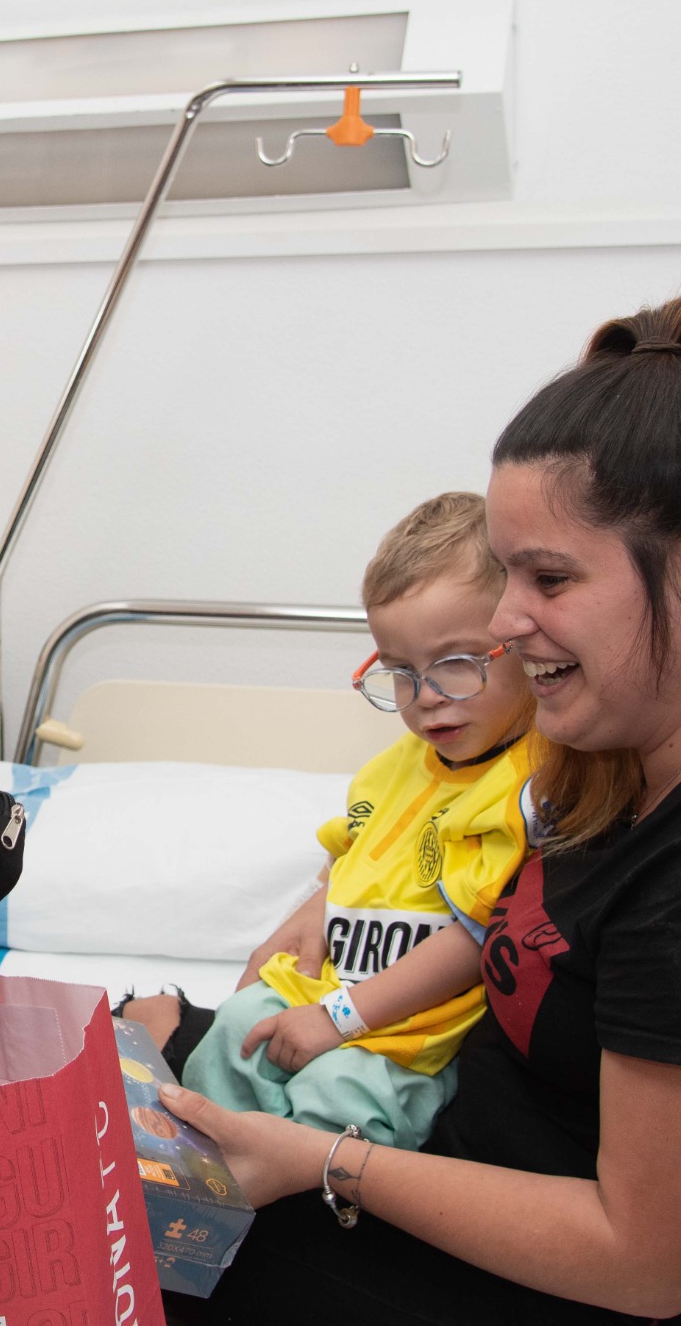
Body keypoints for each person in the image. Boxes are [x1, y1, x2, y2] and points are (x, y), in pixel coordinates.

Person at [158, 284, 681, 1323]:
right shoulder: (627, 761)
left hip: (562, 1275)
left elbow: (643, 1261)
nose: (504, 621)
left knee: (133, 1267)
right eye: (503, 576)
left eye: (545, 579)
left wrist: (324, 1161)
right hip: (462, 1158)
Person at [140, 492, 538, 1153]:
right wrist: (295, 931)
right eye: (401, 672)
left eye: (458, 662)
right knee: (233, 1030)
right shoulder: (392, 769)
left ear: (520, 642)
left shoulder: (527, 782)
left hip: (401, 1035)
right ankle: (206, 1178)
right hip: (323, 991)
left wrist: (340, 1016)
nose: (427, 695)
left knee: (336, 1101)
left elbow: (476, 937)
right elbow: (347, 864)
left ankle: (290, 1212)